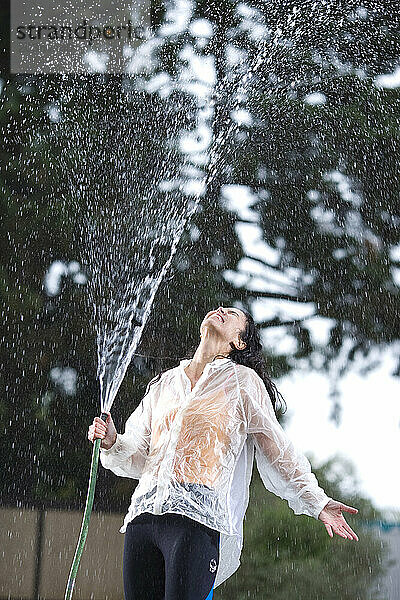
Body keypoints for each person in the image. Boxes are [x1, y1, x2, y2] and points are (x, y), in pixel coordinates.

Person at [88, 306, 359, 600]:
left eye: (231, 314)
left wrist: (316, 501)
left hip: (196, 520)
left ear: (239, 343)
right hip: (143, 518)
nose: (220, 310)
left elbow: (279, 451)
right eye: (219, 308)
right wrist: (112, 440)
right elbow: (140, 454)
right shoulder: (164, 383)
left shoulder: (243, 382)